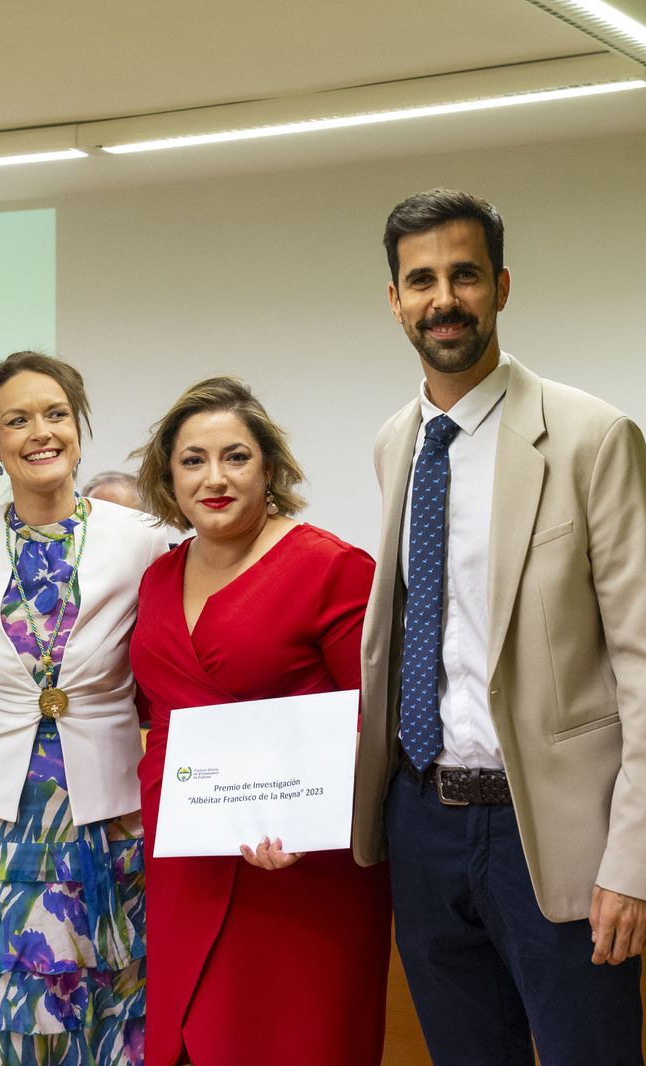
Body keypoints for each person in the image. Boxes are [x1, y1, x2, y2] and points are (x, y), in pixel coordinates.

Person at [353, 188, 646, 1065]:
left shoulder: (591, 437)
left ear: (501, 286)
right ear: (394, 300)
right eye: (420, 280)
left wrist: (639, 859)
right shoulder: (396, 443)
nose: (444, 299)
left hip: (556, 830)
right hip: (422, 819)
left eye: (464, 275)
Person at [0, 351, 168, 1064]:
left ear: (79, 428)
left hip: (103, 814)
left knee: (101, 1004)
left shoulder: (143, 538)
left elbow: (177, 650)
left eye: (55, 414)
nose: (40, 432)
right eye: (17, 420)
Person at [129, 377, 392, 1066]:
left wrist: (307, 821)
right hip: (187, 861)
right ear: (169, 477)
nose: (214, 478)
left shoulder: (331, 567)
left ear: (269, 469)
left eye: (236, 457)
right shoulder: (158, 578)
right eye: (193, 460)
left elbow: (378, 719)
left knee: (293, 1041)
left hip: (299, 870)